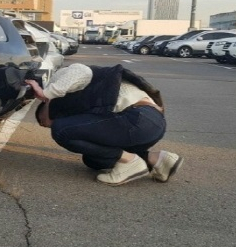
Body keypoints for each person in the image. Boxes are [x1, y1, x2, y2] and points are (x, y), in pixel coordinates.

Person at [25, 63, 183, 186]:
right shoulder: (75, 107)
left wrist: (45, 93)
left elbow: (81, 71)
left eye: (43, 122)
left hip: (137, 118)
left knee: (61, 130)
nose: (47, 125)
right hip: (150, 124)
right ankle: (159, 159)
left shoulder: (57, 86)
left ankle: (130, 162)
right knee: (94, 160)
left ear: (44, 108)